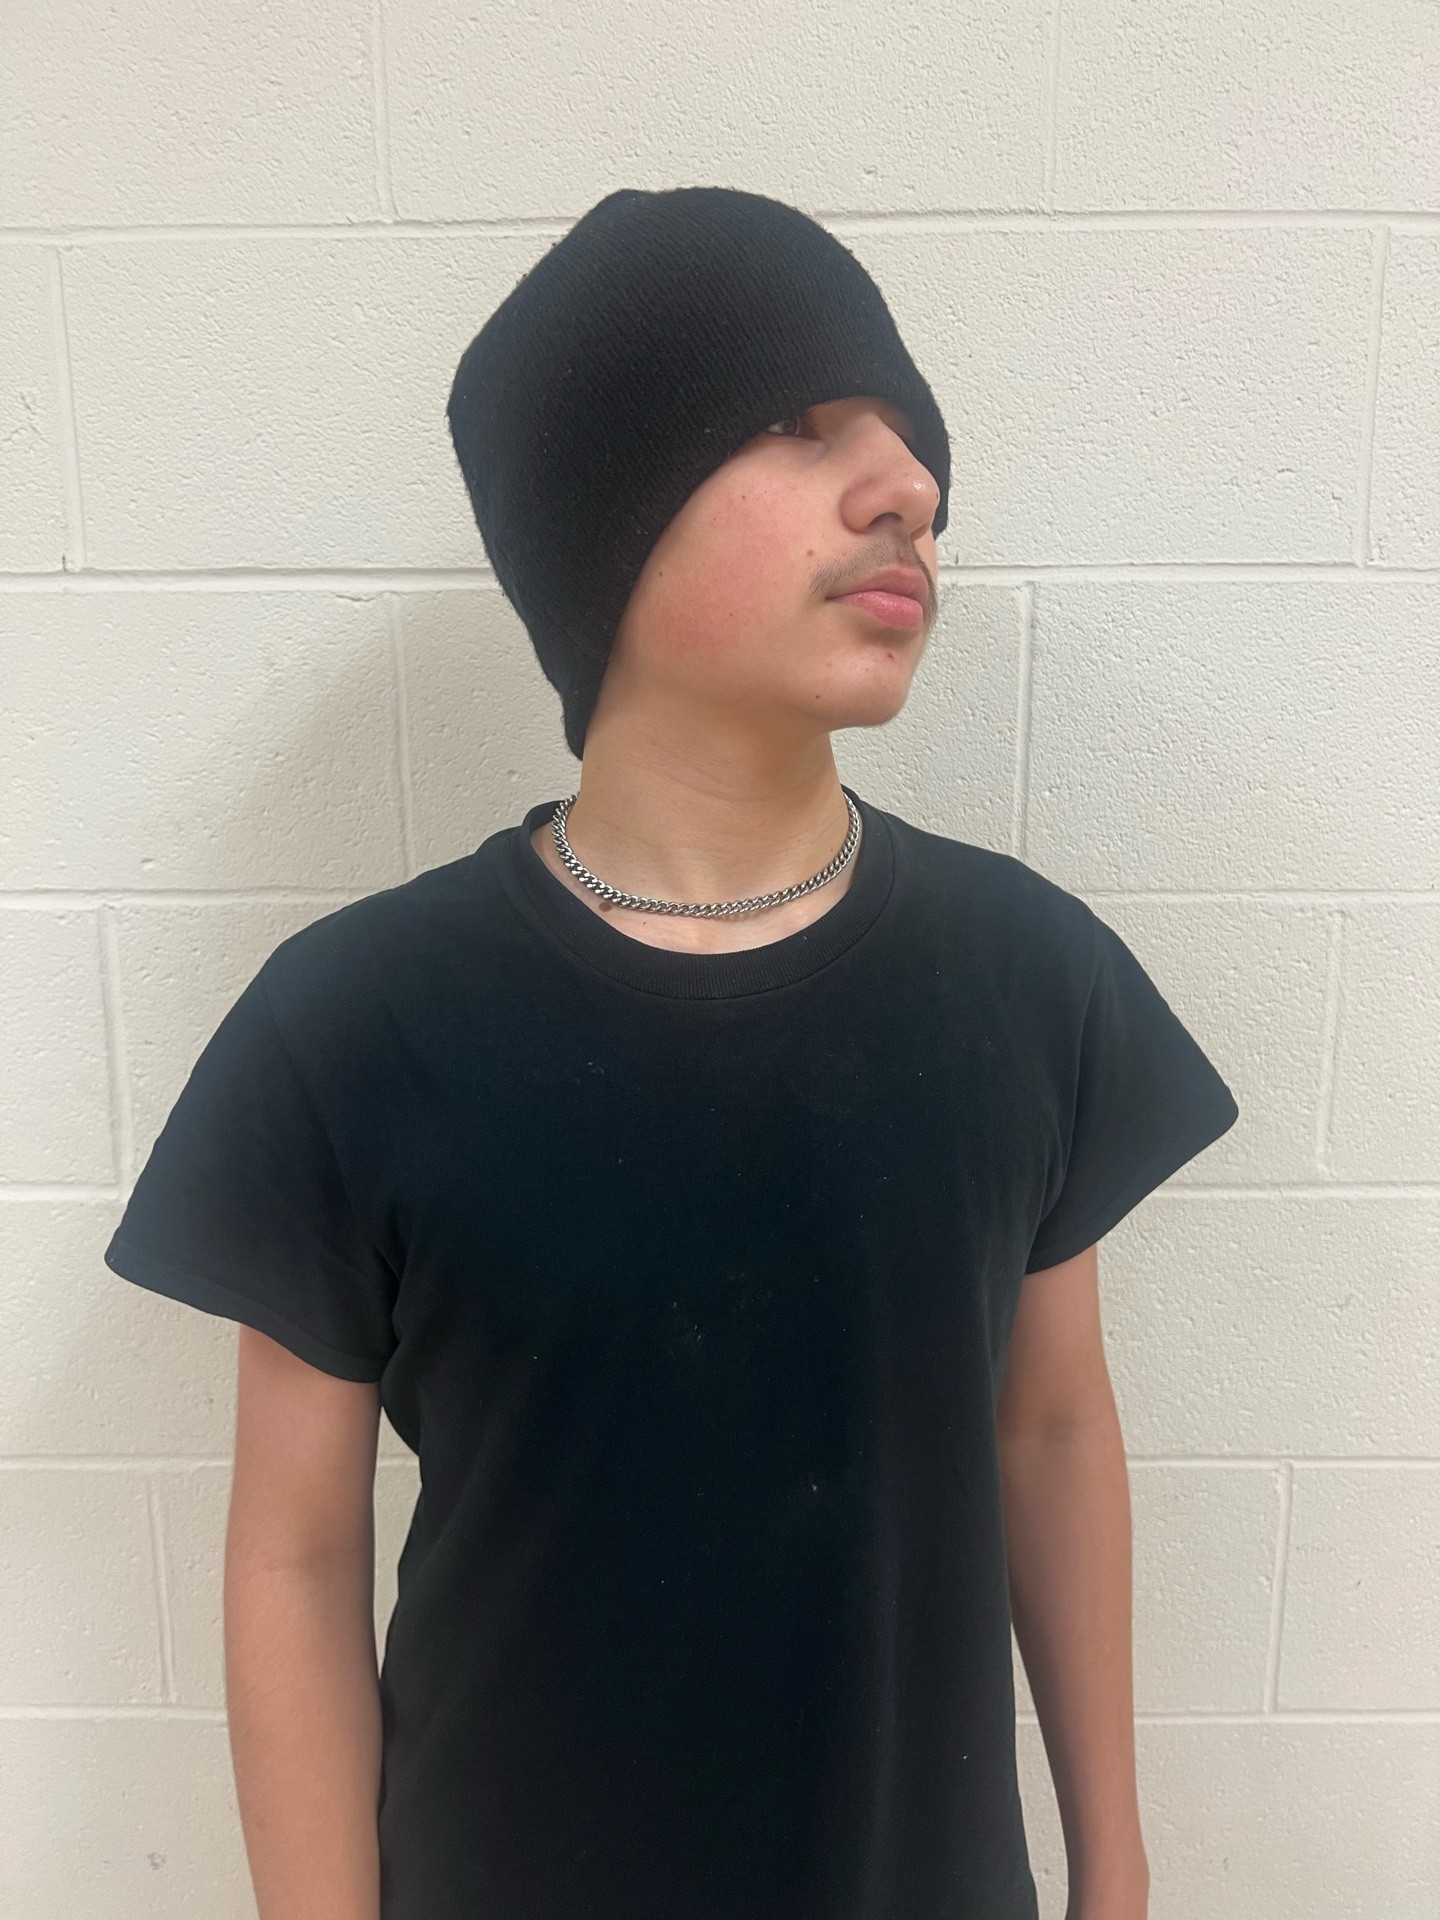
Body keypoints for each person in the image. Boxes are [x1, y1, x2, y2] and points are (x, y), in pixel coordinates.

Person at [103, 186, 1239, 1920]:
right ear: (601, 521)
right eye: (799, 423)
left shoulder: (1026, 980)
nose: (910, 487)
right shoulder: (356, 1024)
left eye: (912, 441)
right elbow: (296, 1553)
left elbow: (1055, 1430)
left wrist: (1120, 1868)